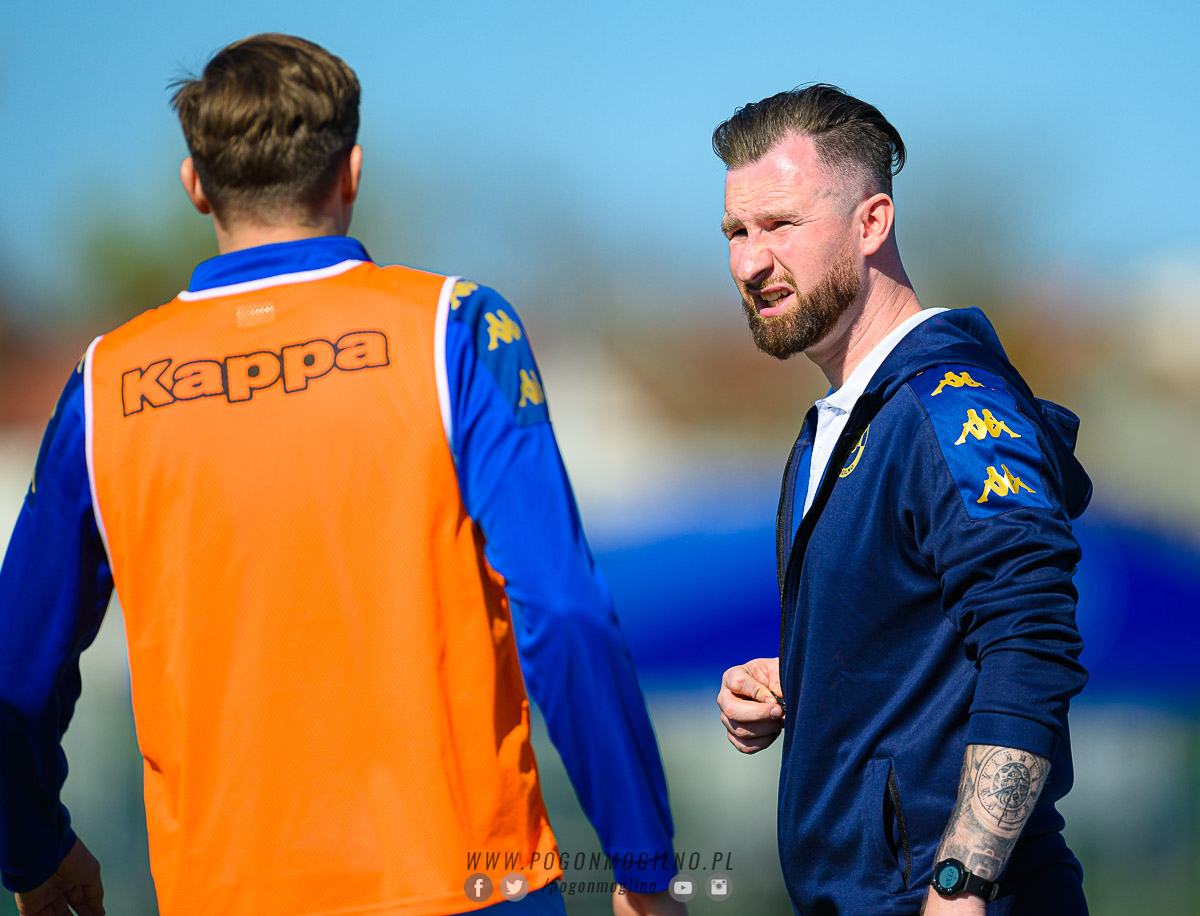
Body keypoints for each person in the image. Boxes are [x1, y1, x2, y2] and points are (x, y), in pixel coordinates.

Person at [0, 34, 686, 916]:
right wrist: (642, 862)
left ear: (196, 184)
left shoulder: (106, 385)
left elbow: (15, 671)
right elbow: (563, 609)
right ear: (351, 172)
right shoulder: (455, 329)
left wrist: (34, 848)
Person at [713, 86, 1091, 915]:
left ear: (872, 223)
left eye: (780, 224)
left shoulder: (949, 405)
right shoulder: (845, 424)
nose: (749, 263)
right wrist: (808, 678)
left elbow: (1029, 639)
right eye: (737, 232)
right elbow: (924, 654)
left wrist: (962, 882)